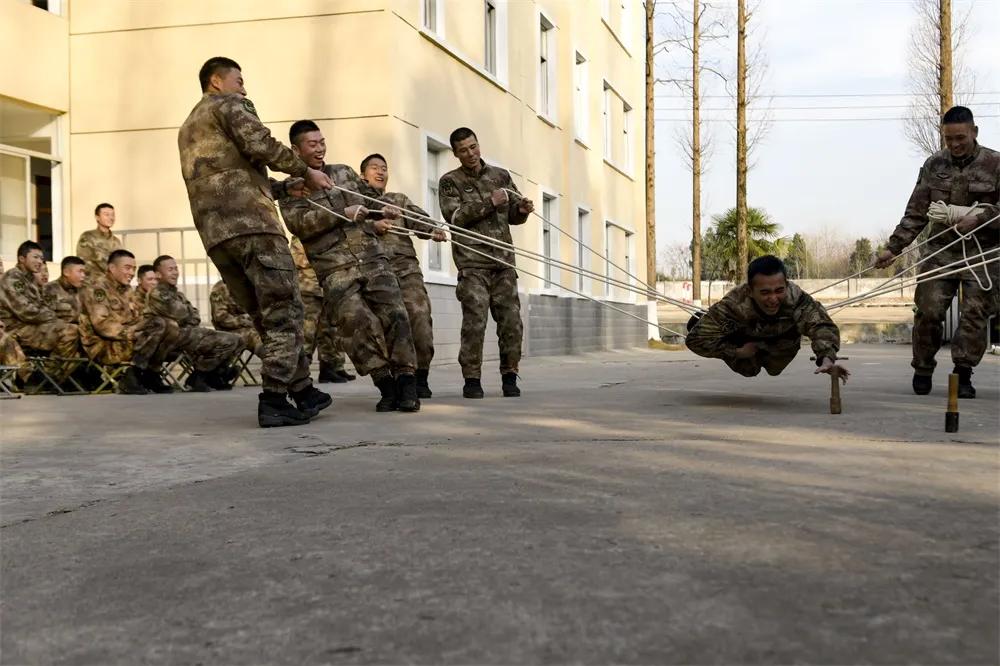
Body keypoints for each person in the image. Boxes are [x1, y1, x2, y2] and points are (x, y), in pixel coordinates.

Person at [177, 56, 332, 426]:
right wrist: (306, 171)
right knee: (285, 312)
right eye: (239, 81)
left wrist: (282, 188)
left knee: (266, 315)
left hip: (217, 235)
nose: (244, 90)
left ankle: (301, 389)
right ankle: (274, 399)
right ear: (217, 81)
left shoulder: (188, 127)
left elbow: (229, 179)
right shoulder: (230, 105)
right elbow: (260, 144)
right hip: (254, 228)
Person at [279, 120, 420, 413]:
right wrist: (342, 213)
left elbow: (368, 202)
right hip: (334, 269)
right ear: (296, 149)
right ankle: (385, 384)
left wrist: (382, 210)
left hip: (372, 259)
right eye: (312, 144)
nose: (320, 149)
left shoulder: (343, 172)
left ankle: (407, 382)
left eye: (322, 142)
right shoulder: (293, 188)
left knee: (396, 315)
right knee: (356, 325)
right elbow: (300, 224)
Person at [875, 106, 999, 398]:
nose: (955, 144)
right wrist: (893, 248)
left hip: (983, 253)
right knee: (928, 311)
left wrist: (979, 218)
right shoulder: (934, 165)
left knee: (974, 314)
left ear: (974, 132)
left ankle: (963, 373)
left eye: (960, 138)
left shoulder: (995, 164)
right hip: (940, 251)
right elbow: (916, 212)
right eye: (949, 139)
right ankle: (923, 368)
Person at [438, 127, 532, 399]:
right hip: (473, 265)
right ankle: (472, 379)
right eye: (463, 150)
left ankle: (510, 376)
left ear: (478, 144)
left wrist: (522, 210)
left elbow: (513, 214)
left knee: (511, 323)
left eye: (473, 146)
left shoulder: (500, 176)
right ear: (455, 154)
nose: (471, 153)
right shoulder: (449, 181)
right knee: (475, 323)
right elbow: (455, 218)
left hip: (503, 263)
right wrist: (490, 202)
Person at [359, 153, 446, 398]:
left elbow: (420, 221)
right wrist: (372, 226)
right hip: (373, 273)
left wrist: (432, 229)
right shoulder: (356, 204)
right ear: (362, 175)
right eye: (374, 168)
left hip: (406, 270)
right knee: (382, 326)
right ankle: (392, 379)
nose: (380, 172)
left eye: (384, 168)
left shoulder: (397, 200)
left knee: (419, 316)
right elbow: (344, 229)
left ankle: (421, 376)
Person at [686, 255, 849, 383]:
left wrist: (827, 359)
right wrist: (735, 352)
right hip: (745, 343)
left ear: (786, 285)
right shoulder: (734, 304)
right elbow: (695, 340)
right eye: (765, 293)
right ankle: (707, 321)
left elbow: (821, 326)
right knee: (749, 370)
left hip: (781, 342)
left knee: (774, 369)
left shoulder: (796, 298)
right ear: (750, 291)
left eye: (779, 290)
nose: (773, 299)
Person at [138, 255, 243, 392]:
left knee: (238, 339)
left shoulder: (178, 294)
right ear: (158, 274)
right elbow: (181, 314)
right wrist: (188, 315)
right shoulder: (157, 293)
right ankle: (201, 376)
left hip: (189, 334)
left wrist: (188, 315)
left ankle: (212, 375)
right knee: (228, 340)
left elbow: (195, 316)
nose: (175, 272)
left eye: (176, 269)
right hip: (171, 338)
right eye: (170, 269)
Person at [79, 249, 163, 394]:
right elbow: (102, 325)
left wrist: (145, 326)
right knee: (152, 338)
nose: (132, 273)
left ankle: (145, 375)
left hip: (124, 338)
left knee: (162, 326)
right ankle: (134, 375)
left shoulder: (127, 290)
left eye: (134, 269)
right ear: (112, 268)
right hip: (103, 344)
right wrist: (134, 333)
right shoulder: (97, 289)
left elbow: (138, 317)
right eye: (127, 268)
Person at [288, 236, 355, 383]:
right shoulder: (302, 236)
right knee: (307, 332)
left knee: (330, 330)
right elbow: (300, 261)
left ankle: (331, 367)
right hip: (309, 288)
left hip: (325, 287)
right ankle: (300, 373)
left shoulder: (327, 236)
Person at [0, 241, 80, 360]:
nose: (39, 262)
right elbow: (26, 311)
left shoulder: (30, 278)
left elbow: (43, 304)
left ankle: (53, 368)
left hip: (31, 325)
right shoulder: (13, 278)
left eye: (41, 258)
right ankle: (50, 369)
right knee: (69, 331)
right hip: (15, 328)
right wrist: (53, 316)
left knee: (76, 329)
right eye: (35, 257)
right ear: (22, 259)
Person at [210, 278, 263, 357]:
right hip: (229, 330)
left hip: (251, 326)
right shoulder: (220, 289)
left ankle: (275, 359)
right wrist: (244, 320)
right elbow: (221, 318)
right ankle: (270, 359)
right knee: (255, 336)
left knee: (272, 335)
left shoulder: (249, 285)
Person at [77, 203, 124, 278]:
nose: (111, 218)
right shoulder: (87, 237)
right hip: (93, 281)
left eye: (113, 215)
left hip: (113, 281)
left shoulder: (116, 241)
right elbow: (84, 264)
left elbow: (120, 264)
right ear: (97, 217)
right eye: (106, 214)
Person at [43, 256, 86, 324]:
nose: (83, 275)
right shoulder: (48, 290)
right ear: (66, 272)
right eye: (80, 271)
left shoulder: (83, 289)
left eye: (84, 272)